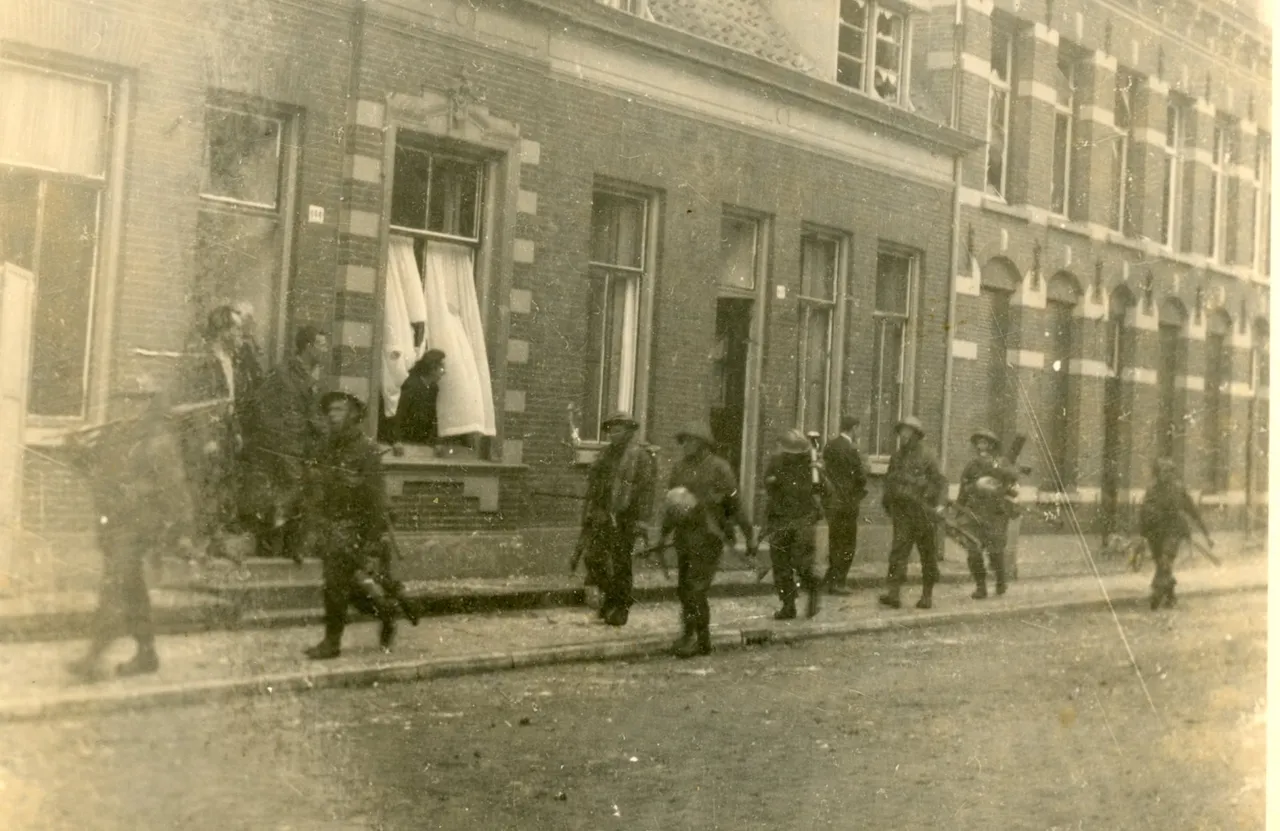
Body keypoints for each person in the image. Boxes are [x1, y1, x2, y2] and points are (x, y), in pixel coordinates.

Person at [66, 375, 196, 681]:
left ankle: (93, 658)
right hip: (113, 523)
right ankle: (147, 653)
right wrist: (75, 451)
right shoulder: (114, 435)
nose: (128, 406)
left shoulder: (158, 441)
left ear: (149, 405)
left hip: (139, 525)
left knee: (114, 586)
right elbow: (94, 471)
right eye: (124, 399)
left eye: (137, 401)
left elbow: (175, 489)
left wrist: (184, 531)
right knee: (132, 588)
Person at [305, 391, 403, 659]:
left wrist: (371, 540)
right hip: (330, 526)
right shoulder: (326, 448)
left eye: (339, 410)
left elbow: (377, 498)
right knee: (345, 586)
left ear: (353, 415)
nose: (332, 415)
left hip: (355, 527)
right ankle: (386, 611)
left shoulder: (367, 450)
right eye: (330, 411)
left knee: (335, 584)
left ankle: (332, 643)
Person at [655, 424, 754, 658]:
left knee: (696, 588)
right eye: (683, 441)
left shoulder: (720, 468)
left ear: (702, 443)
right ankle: (691, 635)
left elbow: (735, 504)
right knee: (684, 589)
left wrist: (749, 535)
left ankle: (699, 639)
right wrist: (663, 534)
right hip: (685, 536)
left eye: (689, 441)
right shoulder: (680, 468)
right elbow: (672, 504)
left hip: (709, 536)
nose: (685, 446)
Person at [242, 325, 328, 562]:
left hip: (300, 450)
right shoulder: (284, 374)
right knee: (285, 497)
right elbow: (262, 409)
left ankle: (288, 550)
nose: (325, 350)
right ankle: (273, 551)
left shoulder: (311, 375)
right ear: (309, 347)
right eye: (321, 345)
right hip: (283, 450)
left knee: (298, 497)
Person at [181, 305, 248, 562]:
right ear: (222, 331)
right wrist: (207, 438)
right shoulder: (204, 361)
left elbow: (231, 401)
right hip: (208, 435)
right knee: (204, 487)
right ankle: (198, 545)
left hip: (225, 433)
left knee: (222, 487)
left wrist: (236, 431)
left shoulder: (231, 361)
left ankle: (215, 540)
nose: (240, 333)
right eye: (236, 328)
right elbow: (199, 403)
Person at [577, 410, 655, 626]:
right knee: (593, 558)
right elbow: (595, 482)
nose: (613, 434)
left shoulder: (639, 457)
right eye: (611, 431)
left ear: (629, 432)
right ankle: (612, 598)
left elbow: (647, 492)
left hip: (626, 517)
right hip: (603, 514)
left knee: (621, 564)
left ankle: (620, 608)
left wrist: (641, 521)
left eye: (618, 430)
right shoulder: (605, 454)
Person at [878, 416, 948, 610]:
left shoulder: (928, 455)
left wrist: (940, 505)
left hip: (923, 512)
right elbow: (889, 481)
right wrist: (888, 503)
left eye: (908, 431)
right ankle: (894, 594)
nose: (904, 435)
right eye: (902, 431)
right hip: (902, 513)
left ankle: (927, 595)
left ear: (917, 434)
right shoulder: (897, 456)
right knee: (898, 552)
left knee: (927, 554)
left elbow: (941, 482)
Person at [763, 429, 823, 620]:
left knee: (802, 563)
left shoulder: (811, 464)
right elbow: (767, 483)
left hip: (803, 518)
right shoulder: (776, 462)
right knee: (780, 565)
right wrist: (773, 481)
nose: (791, 457)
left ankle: (813, 591)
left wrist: (819, 472)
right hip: (781, 518)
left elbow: (824, 489)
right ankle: (788, 605)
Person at [1139, 457, 1213, 610]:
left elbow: (1194, 512)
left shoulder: (1179, 490)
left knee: (1165, 560)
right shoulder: (1151, 490)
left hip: (1174, 531)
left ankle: (1156, 592)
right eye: (1163, 471)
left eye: (1169, 472)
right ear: (1158, 473)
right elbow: (1143, 512)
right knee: (1161, 564)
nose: (1166, 475)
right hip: (1155, 533)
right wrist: (1141, 535)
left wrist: (1207, 535)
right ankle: (1170, 594)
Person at [955, 429, 1018, 599]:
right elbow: (963, 488)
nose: (981, 446)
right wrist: (959, 510)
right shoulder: (971, 465)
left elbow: (1012, 480)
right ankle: (980, 587)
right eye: (979, 442)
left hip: (995, 514)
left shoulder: (1000, 463)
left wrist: (1000, 473)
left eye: (985, 442)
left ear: (991, 445)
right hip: (975, 513)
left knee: (995, 552)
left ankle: (1000, 581)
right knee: (973, 552)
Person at [820, 415, 868, 594]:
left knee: (835, 541)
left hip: (832, 502)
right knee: (847, 544)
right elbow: (861, 478)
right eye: (859, 428)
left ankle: (830, 579)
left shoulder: (830, 446)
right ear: (854, 428)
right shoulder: (852, 449)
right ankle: (838, 582)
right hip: (847, 503)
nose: (860, 432)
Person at [381, 349, 446, 453]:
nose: (444, 372)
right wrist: (397, 441)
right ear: (432, 368)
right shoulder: (412, 385)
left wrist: (437, 441)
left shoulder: (433, 388)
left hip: (420, 439)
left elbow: (433, 415)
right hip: (405, 439)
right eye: (441, 368)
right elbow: (399, 413)